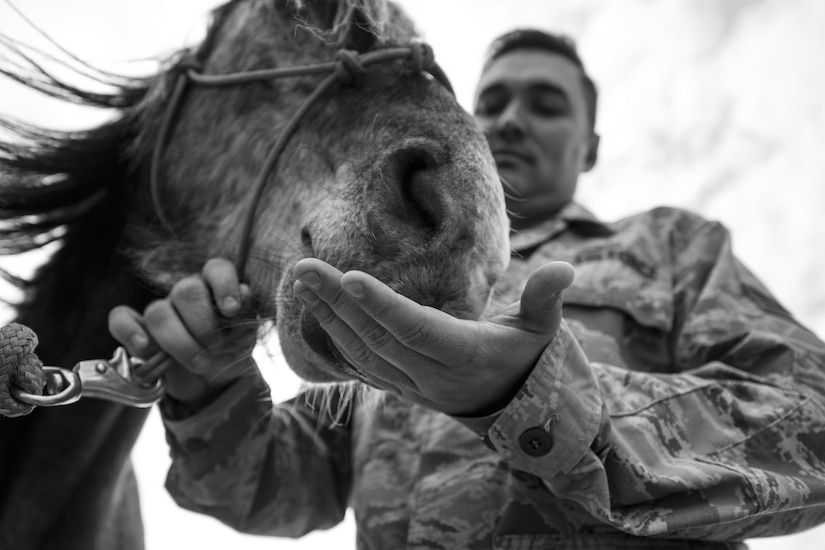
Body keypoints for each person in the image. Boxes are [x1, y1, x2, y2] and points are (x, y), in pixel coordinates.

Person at [109, 29, 825, 549]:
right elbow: (285, 491)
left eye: (545, 104)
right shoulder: (384, 268)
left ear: (591, 146)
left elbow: (811, 422)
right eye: (494, 101)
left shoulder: (671, 246)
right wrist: (212, 394)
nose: (510, 118)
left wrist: (532, 400)